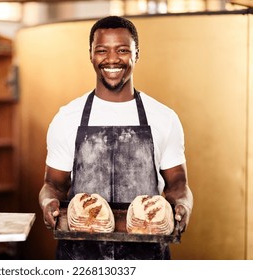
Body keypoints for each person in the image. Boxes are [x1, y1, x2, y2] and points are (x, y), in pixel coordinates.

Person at [39, 15, 193, 260]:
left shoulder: (164, 118)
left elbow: (177, 184)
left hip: (147, 258)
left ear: (136, 54)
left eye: (122, 50)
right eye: (102, 50)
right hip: (79, 258)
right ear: (90, 54)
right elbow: (53, 185)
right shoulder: (67, 117)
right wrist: (49, 203)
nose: (112, 59)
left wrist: (183, 206)